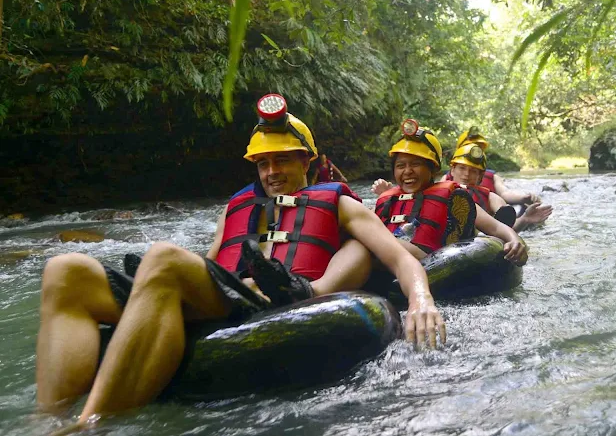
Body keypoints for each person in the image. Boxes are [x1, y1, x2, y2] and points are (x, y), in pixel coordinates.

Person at [36, 95, 446, 426]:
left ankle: (89, 423)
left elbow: (396, 256)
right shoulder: (236, 207)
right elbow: (211, 264)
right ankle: (48, 419)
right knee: (65, 270)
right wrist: (155, 288)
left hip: (282, 298)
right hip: (225, 294)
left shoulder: (337, 201)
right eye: (263, 163)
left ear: (306, 160)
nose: (271, 171)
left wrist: (421, 300)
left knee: (162, 257)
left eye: (283, 159)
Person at [372, 119, 527, 264]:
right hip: (387, 262)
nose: (407, 171)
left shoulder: (451, 196)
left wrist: (514, 240)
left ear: (433, 169)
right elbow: (362, 224)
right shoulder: (388, 198)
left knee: (369, 240)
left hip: (429, 260)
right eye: (400, 166)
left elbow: (495, 227)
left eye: (416, 164)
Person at [448, 143, 553, 232]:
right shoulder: (439, 190)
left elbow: (507, 227)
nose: (466, 174)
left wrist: (525, 219)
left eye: (473, 171)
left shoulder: (491, 197)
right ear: (452, 170)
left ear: (480, 176)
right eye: (462, 168)